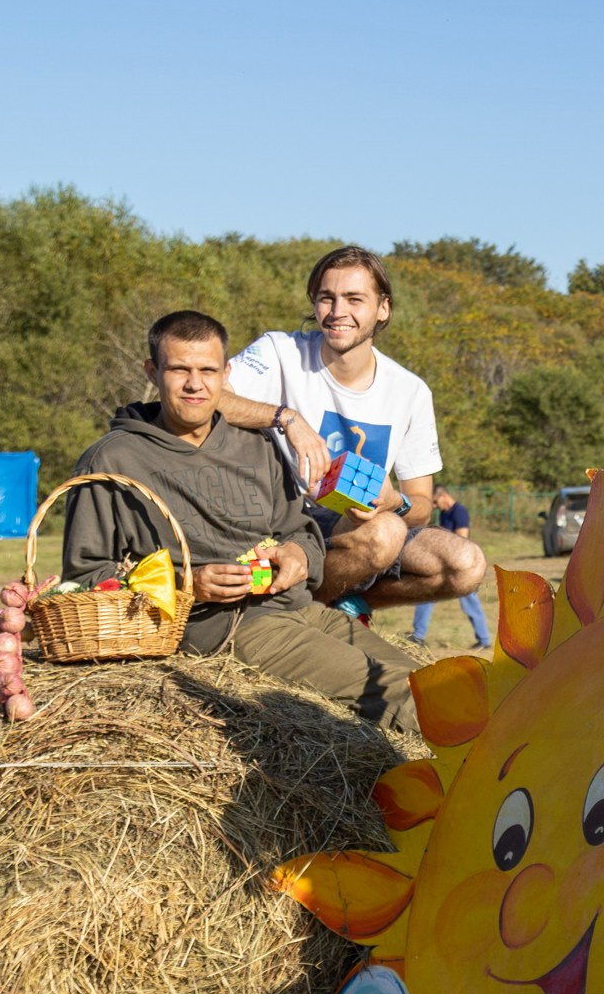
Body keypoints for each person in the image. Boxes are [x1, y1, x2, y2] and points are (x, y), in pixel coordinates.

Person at [62, 310, 418, 732]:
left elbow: (299, 530)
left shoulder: (255, 445)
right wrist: (186, 584)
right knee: (401, 694)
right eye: (179, 369)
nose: (195, 384)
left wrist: (298, 557)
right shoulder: (113, 458)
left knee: (431, 682)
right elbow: (84, 579)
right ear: (152, 372)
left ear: (226, 373)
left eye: (208, 370)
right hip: (225, 629)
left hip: (300, 609)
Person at [214, 246, 487, 622]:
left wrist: (396, 503)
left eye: (354, 299)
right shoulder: (280, 351)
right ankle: (300, 614)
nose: (338, 311)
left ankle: (348, 605)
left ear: (383, 308)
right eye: (327, 298)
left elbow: (421, 504)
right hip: (284, 521)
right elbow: (209, 397)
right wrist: (285, 417)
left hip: (359, 527)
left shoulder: (411, 392)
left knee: (467, 564)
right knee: (385, 533)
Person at [411, 486, 491, 650]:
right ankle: (418, 636)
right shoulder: (444, 513)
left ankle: (484, 641)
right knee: (426, 595)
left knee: (469, 602)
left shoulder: (459, 512)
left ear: (443, 496)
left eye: (434, 502)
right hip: (446, 565)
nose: (434, 506)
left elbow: (462, 539)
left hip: (461, 567)